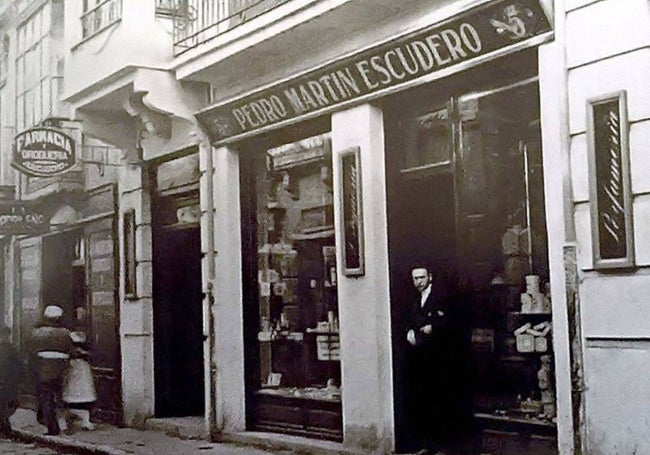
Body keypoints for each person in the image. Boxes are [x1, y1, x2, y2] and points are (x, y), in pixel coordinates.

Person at [404, 264, 471, 455]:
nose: (418, 282)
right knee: (423, 402)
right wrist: (409, 330)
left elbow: (454, 322)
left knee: (441, 401)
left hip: (441, 360)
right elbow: (408, 320)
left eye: (422, 278)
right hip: (420, 359)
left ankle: (444, 446)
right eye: (415, 278)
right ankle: (427, 444)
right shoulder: (413, 299)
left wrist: (434, 327)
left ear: (430, 277)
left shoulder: (443, 297)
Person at [30, 305, 73, 436]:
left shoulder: (37, 333)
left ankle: (51, 426)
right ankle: (63, 424)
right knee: (60, 397)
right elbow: (70, 350)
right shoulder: (65, 333)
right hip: (62, 369)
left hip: (44, 369)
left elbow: (31, 351)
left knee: (46, 397)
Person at [62, 330, 97, 431]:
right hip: (74, 368)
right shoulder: (68, 337)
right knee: (72, 391)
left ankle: (85, 420)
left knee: (82, 391)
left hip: (80, 368)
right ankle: (75, 419)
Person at [0, 326, 23, 435]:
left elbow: (18, 366)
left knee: (5, 404)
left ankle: (4, 426)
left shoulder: (11, 349)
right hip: (8, 382)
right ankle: (5, 427)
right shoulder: (11, 349)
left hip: (7, 381)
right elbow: (19, 366)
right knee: (6, 405)